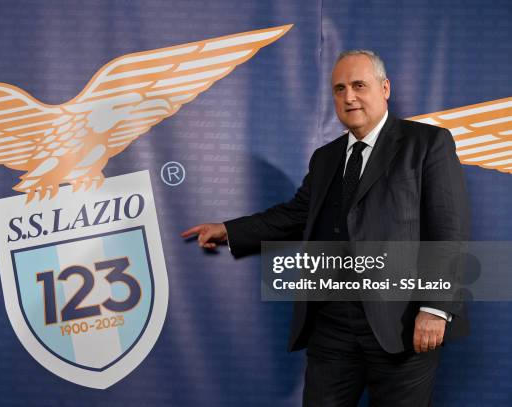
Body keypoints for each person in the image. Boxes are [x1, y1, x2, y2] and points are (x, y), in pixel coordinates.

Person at [181, 50, 469, 406]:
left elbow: (448, 229)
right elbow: (295, 215)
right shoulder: (326, 157)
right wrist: (229, 229)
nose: (349, 96)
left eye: (359, 85)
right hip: (331, 328)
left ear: (385, 88)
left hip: (403, 325)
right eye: (339, 88)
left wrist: (435, 308)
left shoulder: (426, 144)